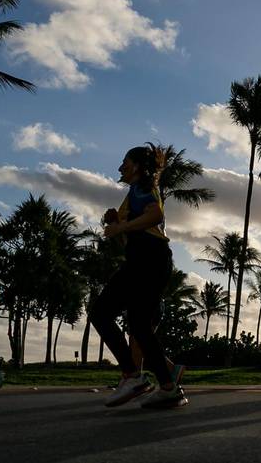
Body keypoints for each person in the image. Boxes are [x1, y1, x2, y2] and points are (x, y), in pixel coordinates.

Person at [91, 144, 186, 409]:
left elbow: (156, 214)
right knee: (140, 327)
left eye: (125, 161)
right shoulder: (134, 192)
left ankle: (132, 376)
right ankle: (168, 387)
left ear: (138, 166)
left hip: (149, 259)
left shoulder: (142, 187)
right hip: (144, 259)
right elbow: (129, 239)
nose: (121, 167)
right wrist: (117, 226)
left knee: (101, 313)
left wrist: (121, 225)